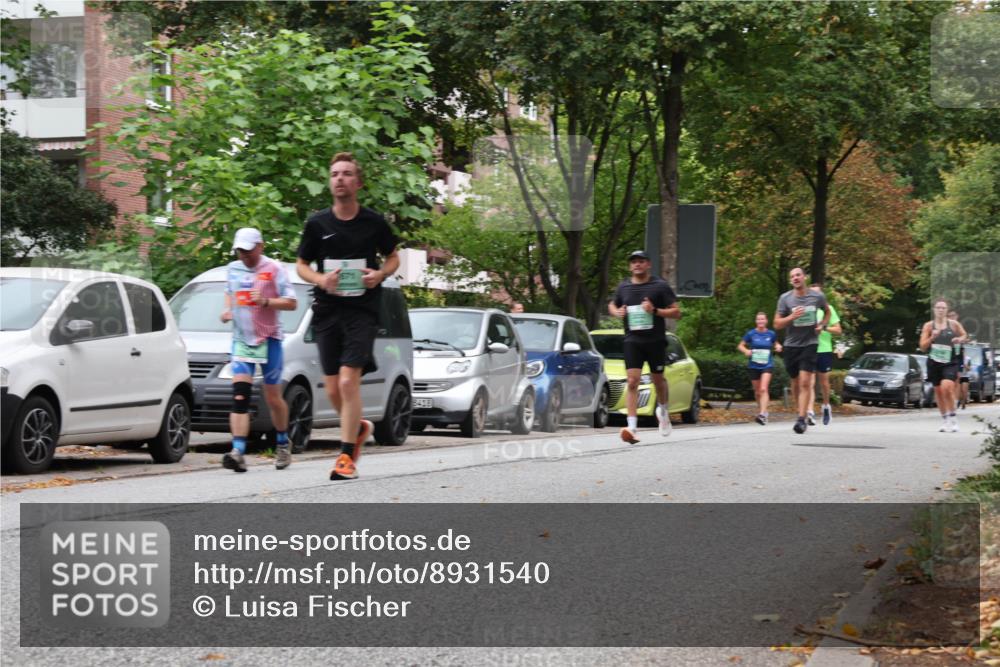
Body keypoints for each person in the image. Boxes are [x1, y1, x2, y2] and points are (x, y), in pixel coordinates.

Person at [296, 152, 400, 481]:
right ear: (330, 182)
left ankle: (345, 457)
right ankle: (357, 428)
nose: (339, 178)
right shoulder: (317, 224)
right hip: (327, 310)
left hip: (362, 310)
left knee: (347, 380)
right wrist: (320, 280)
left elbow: (394, 257)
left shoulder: (373, 221)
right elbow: (301, 265)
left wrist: (380, 274)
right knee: (331, 389)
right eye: (334, 174)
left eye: (346, 174)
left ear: (358, 182)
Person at [220, 228, 298, 473]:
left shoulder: (274, 269)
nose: (244, 255)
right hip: (242, 339)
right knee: (240, 395)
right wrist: (228, 311)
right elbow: (229, 293)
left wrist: (266, 301)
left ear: (260, 246)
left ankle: (283, 443)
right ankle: (238, 451)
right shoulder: (233, 268)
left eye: (248, 250)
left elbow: (292, 302)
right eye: (240, 251)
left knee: (273, 397)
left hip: (269, 339)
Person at [608, 250, 681, 443]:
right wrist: (618, 312)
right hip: (633, 340)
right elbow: (612, 305)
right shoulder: (623, 287)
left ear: (648, 264)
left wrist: (654, 310)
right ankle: (632, 428)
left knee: (658, 381)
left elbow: (676, 312)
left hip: (655, 341)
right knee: (632, 381)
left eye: (641, 261)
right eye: (633, 262)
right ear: (629, 266)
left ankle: (663, 411)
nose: (637, 265)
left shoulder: (659, 286)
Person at [774, 267, 830, 434]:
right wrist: (791, 318)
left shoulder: (817, 296)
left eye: (798, 275)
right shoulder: (785, 299)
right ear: (791, 280)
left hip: (810, 343)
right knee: (796, 382)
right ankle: (800, 410)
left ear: (804, 277)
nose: (795, 278)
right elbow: (777, 323)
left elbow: (827, 311)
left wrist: (822, 325)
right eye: (792, 276)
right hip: (791, 345)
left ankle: (801, 419)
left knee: (806, 382)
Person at [921, 301, 967, 432]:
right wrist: (931, 338)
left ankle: (953, 418)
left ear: (947, 310)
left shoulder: (953, 324)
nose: (940, 310)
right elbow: (923, 347)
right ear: (934, 310)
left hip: (950, 362)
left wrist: (960, 339)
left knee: (947, 387)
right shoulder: (929, 326)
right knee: (939, 392)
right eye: (938, 308)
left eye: (943, 308)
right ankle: (945, 420)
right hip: (934, 362)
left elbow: (964, 334)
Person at [737, 312, 782, 425]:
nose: (760, 321)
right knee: (757, 392)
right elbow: (740, 345)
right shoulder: (751, 334)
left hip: (767, 365)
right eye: (758, 319)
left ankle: (762, 414)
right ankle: (763, 411)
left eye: (762, 319)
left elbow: (776, 344)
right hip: (754, 365)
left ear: (766, 321)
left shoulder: (771, 334)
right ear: (756, 321)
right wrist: (746, 351)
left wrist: (778, 346)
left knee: (763, 389)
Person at [808, 282, 842, 426]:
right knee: (808, 382)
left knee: (824, 383)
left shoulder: (829, 309)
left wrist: (824, 327)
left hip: (824, 349)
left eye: (817, 293)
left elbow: (839, 330)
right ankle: (809, 412)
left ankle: (826, 406)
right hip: (809, 348)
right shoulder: (806, 310)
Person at [949, 310, 970, 409]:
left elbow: (966, 338)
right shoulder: (946, 326)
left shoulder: (959, 327)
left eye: (953, 315)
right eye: (950, 316)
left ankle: (959, 400)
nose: (952, 317)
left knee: (958, 379)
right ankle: (954, 399)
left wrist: (961, 339)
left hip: (959, 357)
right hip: (949, 355)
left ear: (957, 316)